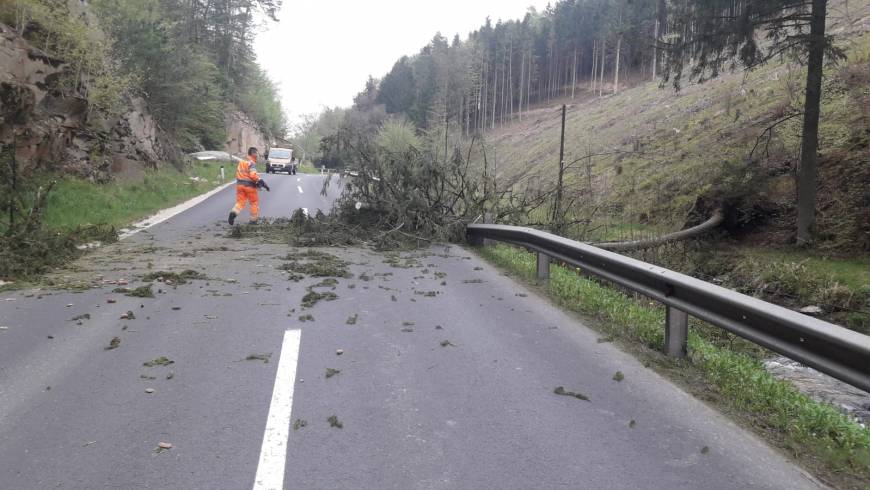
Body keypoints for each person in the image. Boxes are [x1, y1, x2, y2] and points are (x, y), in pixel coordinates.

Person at [228, 147, 270, 225]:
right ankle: (253, 221)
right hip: (249, 187)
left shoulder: (242, 162)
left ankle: (233, 213)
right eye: (257, 153)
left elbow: (240, 173)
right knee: (254, 202)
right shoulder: (251, 163)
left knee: (240, 202)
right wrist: (261, 182)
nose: (258, 155)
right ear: (253, 153)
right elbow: (253, 175)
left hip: (239, 185)